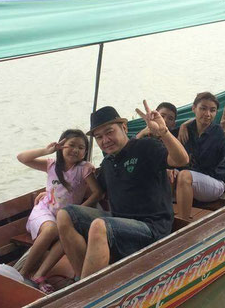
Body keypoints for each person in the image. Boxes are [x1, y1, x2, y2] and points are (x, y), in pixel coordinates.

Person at [56, 102, 189, 279]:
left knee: (99, 226)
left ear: (124, 127)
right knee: (65, 215)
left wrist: (163, 132)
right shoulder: (108, 164)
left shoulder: (145, 147)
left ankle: (86, 294)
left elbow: (181, 160)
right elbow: (94, 190)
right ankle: (83, 281)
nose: (105, 140)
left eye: (109, 132)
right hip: (119, 224)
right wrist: (51, 190)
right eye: (99, 137)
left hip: (151, 228)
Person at [17, 129, 102, 293]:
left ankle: (39, 276)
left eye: (81, 147)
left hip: (66, 217)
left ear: (86, 152)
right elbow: (22, 158)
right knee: (51, 229)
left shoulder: (85, 169)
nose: (75, 150)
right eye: (71, 145)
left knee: (66, 234)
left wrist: (79, 210)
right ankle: (23, 273)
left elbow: (98, 193)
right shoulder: (51, 164)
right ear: (61, 146)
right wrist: (47, 150)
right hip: (44, 212)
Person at [173, 92, 225, 220]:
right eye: (203, 108)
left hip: (214, 182)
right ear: (194, 108)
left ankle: (183, 222)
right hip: (190, 179)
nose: (207, 114)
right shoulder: (187, 129)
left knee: (185, 175)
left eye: (212, 110)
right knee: (167, 173)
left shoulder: (219, 132)